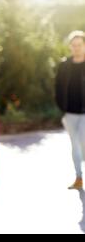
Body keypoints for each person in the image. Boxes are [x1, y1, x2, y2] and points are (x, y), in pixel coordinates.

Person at [55, 31, 85, 190]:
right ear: (70, 47)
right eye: (74, 45)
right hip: (70, 113)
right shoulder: (64, 65)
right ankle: (79, 177)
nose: (77, 48)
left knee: (82, 142)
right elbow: (58, 87)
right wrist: (62, 108)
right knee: (75, 145)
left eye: (79, 45)